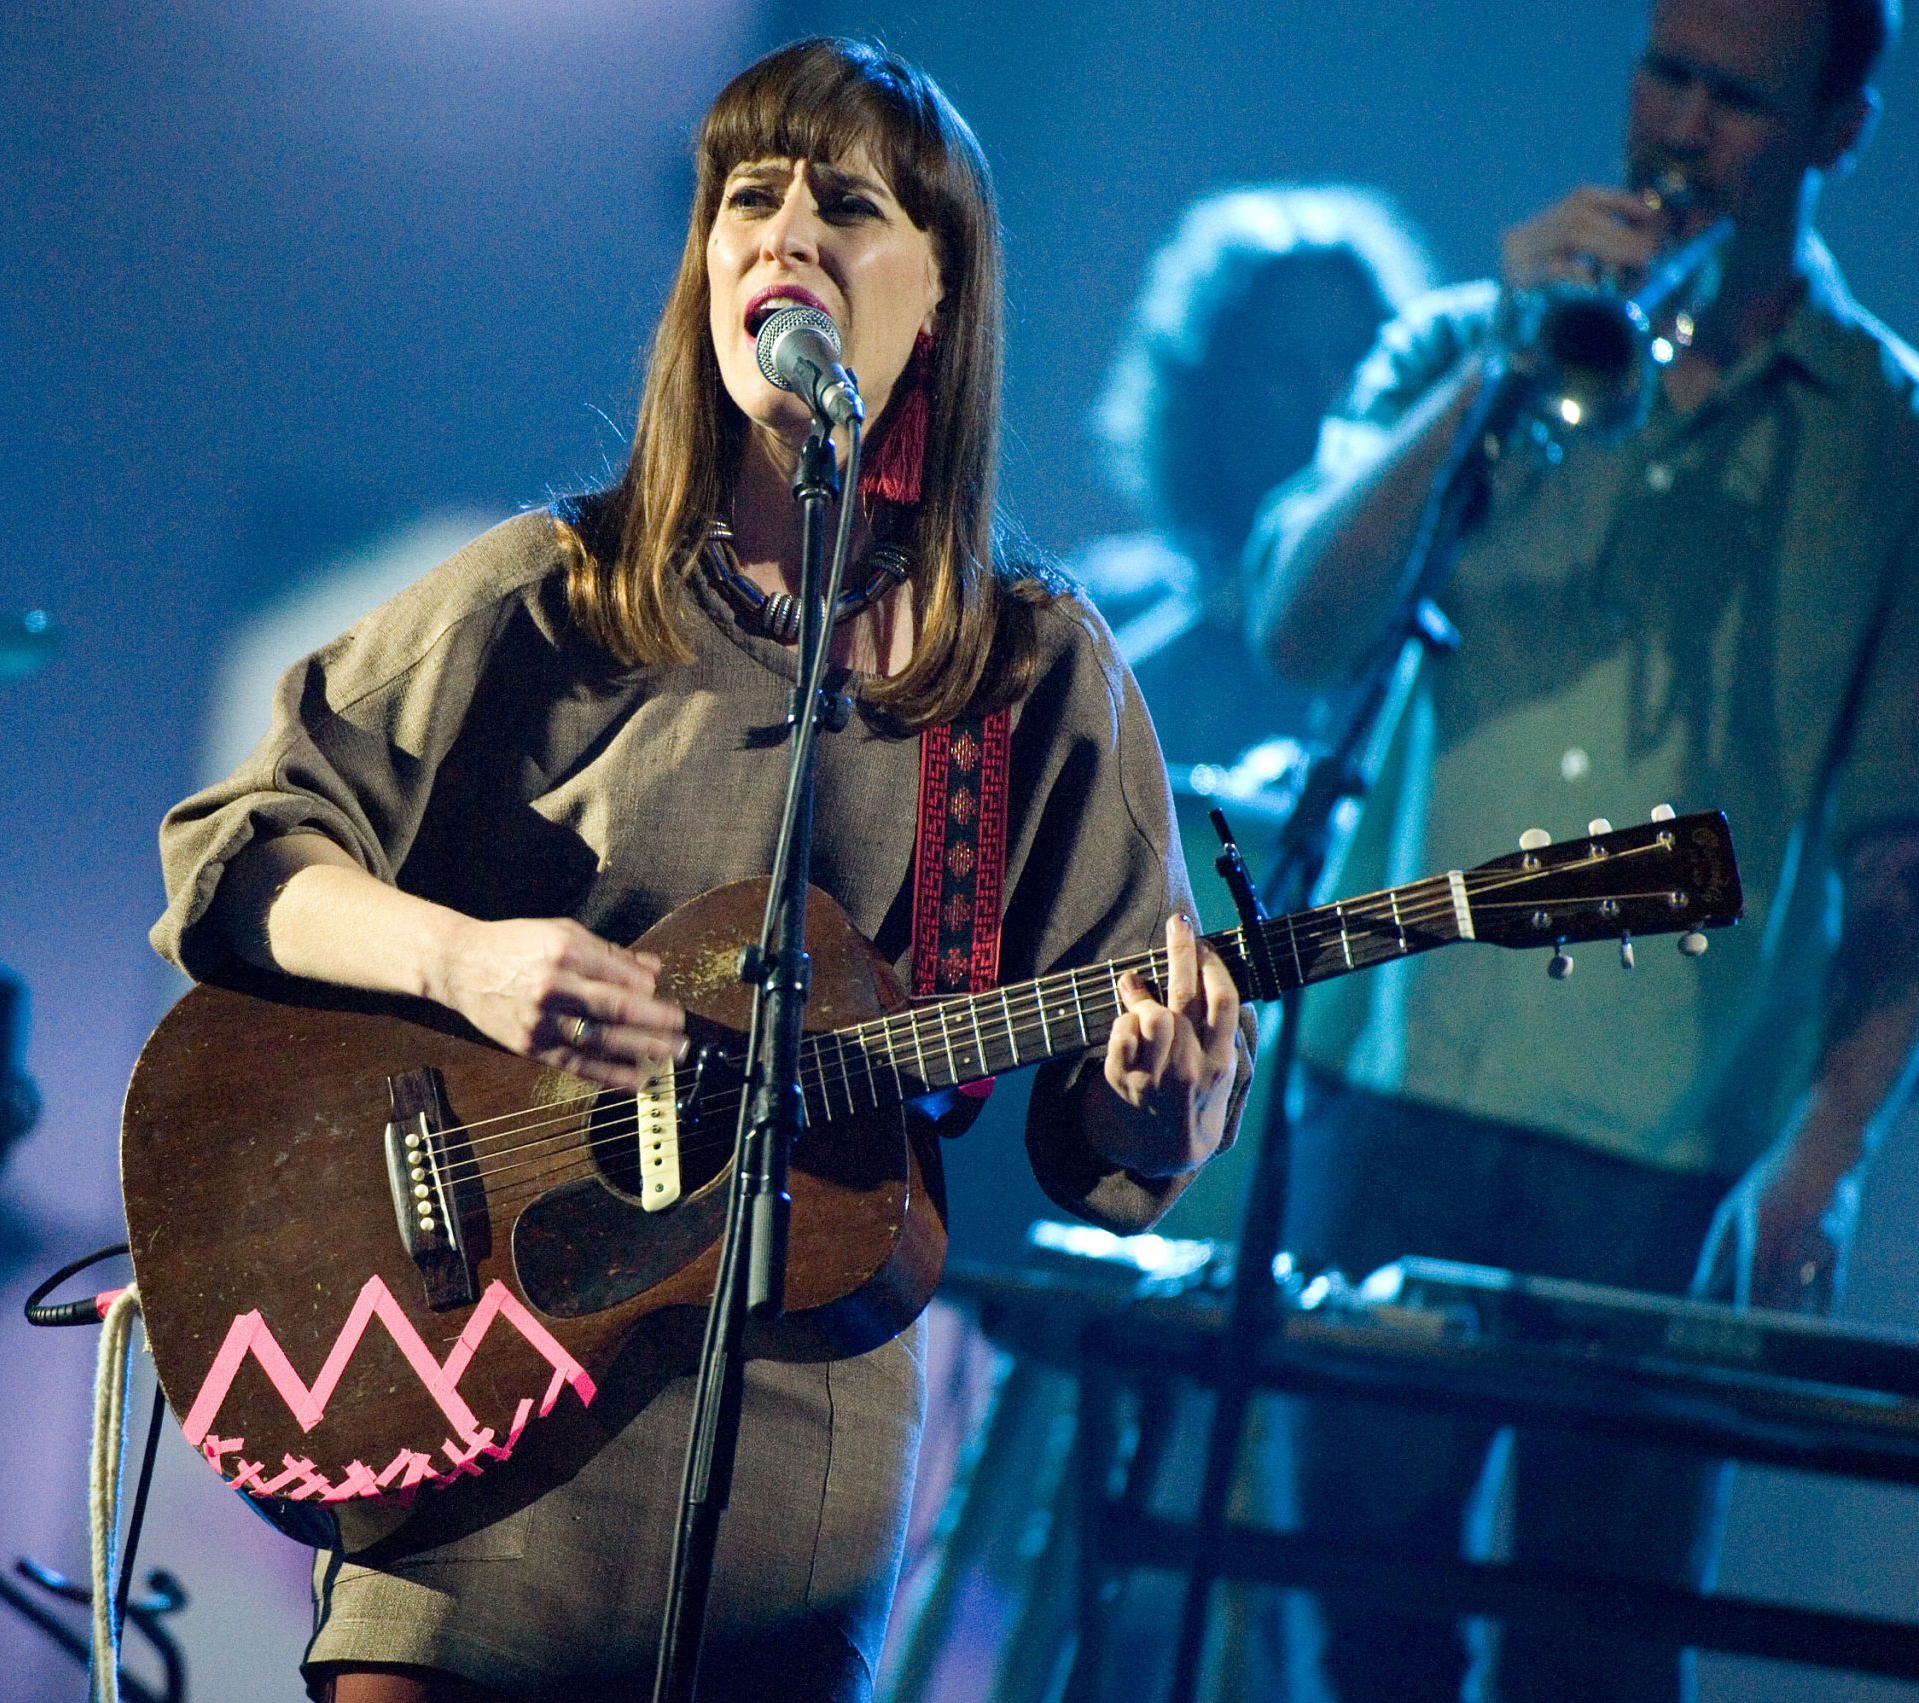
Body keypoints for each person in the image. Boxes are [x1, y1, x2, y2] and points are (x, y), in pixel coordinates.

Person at [149, 37, 1249, 1703]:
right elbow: (234, 853)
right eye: (749, 198)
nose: (783, 235)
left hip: (797, 1453)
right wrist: (464, 960)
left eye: (848, 206)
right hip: (475, 1375)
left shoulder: (1025, 675)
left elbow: (1111, 1097)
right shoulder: (551, 595)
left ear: (940, 299)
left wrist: (1161, 1111)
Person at [1242, 0, 1919, 1697]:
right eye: (1664, 75)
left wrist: (1826, 1153)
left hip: (1669, 1145)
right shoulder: (1464, 347)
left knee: (1593, 1662)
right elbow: (1298, 627)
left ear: (1840, 128)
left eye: (1736, 99)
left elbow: (1904, 853)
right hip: (1394, 1083)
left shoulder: (1888, 437)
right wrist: (1503, 363)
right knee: (1352, 1636)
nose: (1679, 130)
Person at [1082, 184, 1434, 767]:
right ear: (1209, 392)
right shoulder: (1099, 621)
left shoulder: (1432, 632)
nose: (1329, 395)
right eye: (1287, 366)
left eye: (1352, 359)